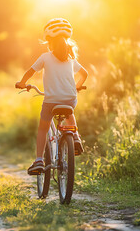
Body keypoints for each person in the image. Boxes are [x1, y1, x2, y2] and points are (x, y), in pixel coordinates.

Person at [15, 18, 88, 175]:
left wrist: (22, 82)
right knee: (69, 112)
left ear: (49, 41)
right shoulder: (71, 59)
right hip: (70, 98)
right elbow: (85, 74)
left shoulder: (45, 57)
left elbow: (30, 71)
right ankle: (75, 136)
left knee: (43, 128)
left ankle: (39, 160)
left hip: (51, 101)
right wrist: (77, 86)